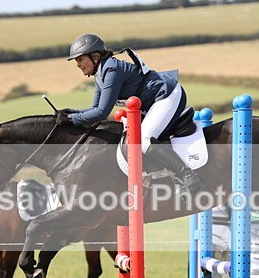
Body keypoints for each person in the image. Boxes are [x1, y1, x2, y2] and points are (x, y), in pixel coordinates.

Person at [59, 33, 202, 194]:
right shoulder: (100, 74)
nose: (78, 65)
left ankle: (188, 176)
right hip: (152, 103)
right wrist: (71, 113)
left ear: (95, 56)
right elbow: (96, 108)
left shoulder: (111, 69)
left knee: (144, 139)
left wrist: (72, 120)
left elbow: (101, 113)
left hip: (167, 95)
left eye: (80, 59)